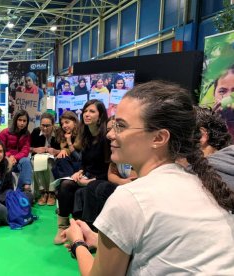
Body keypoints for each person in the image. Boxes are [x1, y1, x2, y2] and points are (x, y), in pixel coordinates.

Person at [63, 81, 234, 275]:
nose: (110, 134)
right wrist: (98, 239)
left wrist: (77, 242)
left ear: (159, 138)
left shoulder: (130, 198)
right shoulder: (207, 186)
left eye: (121, 126)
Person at [54, 99, 110, 244]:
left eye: (92, 111)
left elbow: (110, 168)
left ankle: (87, 231)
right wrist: (80, 171)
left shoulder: (106, 138)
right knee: (65, 184)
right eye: (85, 111)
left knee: (87, 188)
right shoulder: (86, 137)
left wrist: (90, 180)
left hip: (102, 178)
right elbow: (85, 163)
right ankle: (63, 227)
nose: (87, 114)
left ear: (100, 115)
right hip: (87, 175)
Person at [0, 110, 33, 202]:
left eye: (24, 121)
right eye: (19, 120)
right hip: (5, 161)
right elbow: (0, 149)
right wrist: (9, 157)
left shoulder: (27, 134)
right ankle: (13, 194)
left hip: (18, 161)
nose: (22, 123)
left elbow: (25, 151)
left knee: (26, 160)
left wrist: (14, 157)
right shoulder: (4, 133)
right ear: (15, 120)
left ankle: (25, 189)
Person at [30, 113, 61, 205]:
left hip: (53, 158)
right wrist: (35, 149)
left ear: (53, 125)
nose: (45, 128)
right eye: (43, 125)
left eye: (48, 126)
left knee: (49, 163)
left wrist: (55, 151)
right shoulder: (36, 132)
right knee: (34, 162)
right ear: (40, 124)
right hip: (38, 157)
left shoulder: (58, 133)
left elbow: (63, 149)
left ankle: (51, 193)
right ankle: (43, 192)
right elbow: (27, 147)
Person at [213, 65, 234, 138]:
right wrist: (213, 120)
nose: (228, 96)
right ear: (214, 95)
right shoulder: (203, 128)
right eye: (222, 91)